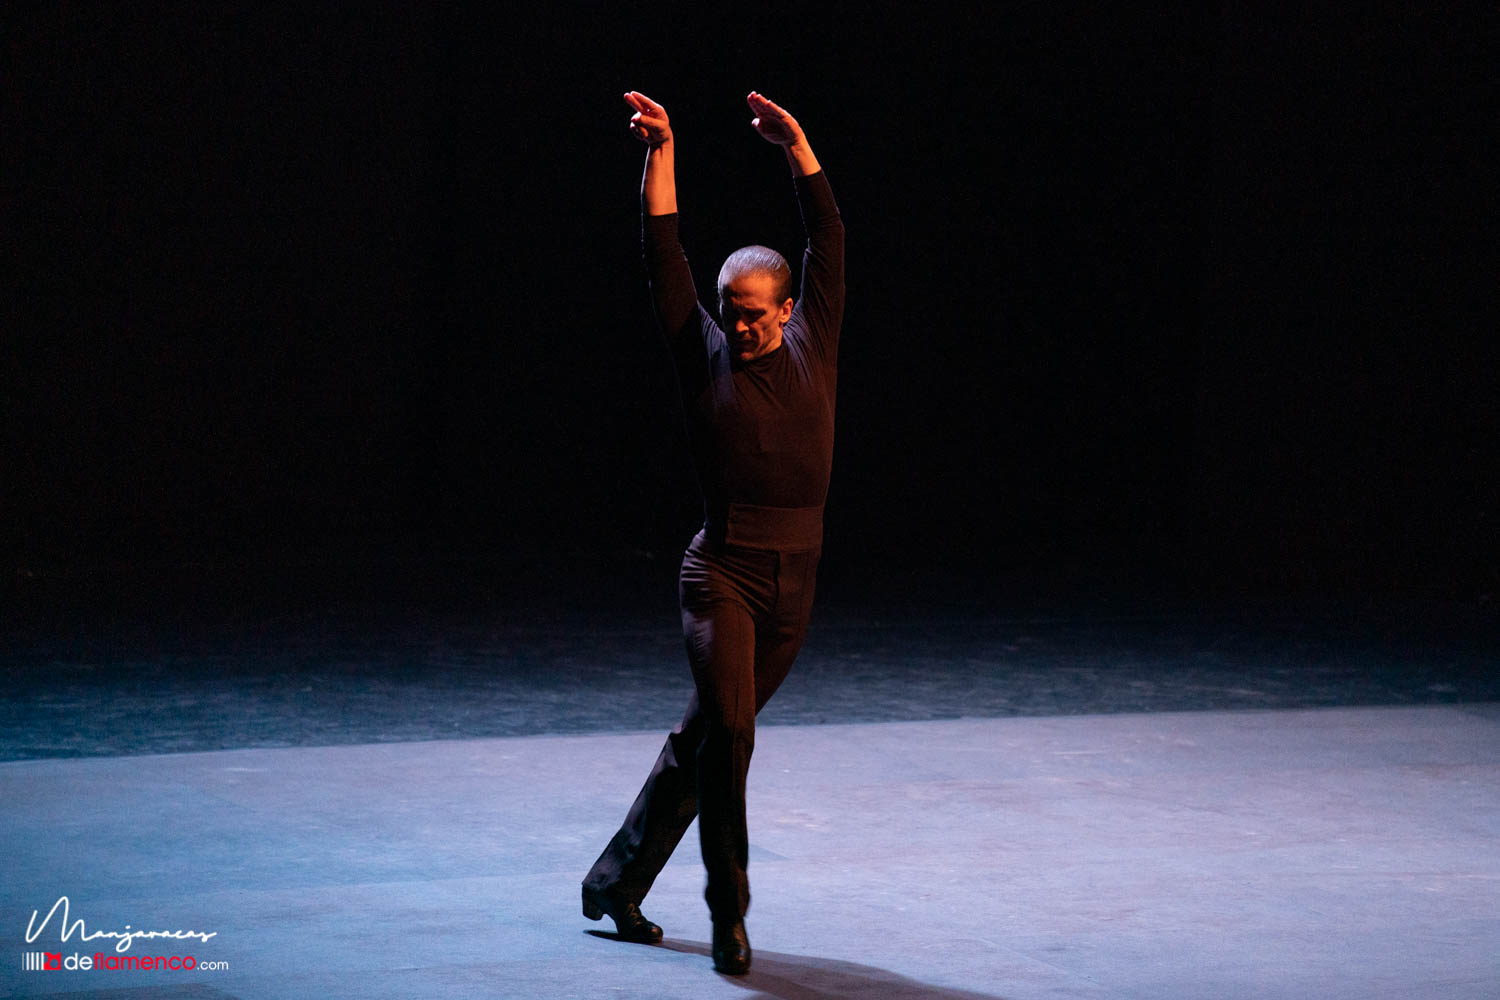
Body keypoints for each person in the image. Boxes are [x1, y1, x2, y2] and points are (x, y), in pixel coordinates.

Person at [581, 89, 845, 976]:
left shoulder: (815, 341)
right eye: (729, 308)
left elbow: (830, 241)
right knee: (733, 738)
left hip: (796, 580)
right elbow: (663, 260)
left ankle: (614, 883)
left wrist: (797, 149)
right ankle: (729, 915)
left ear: (785, 307)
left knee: (707, 740)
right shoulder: (703, 354)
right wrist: (661, 153)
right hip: (722, 573)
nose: (737, 323)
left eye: (753, 310)